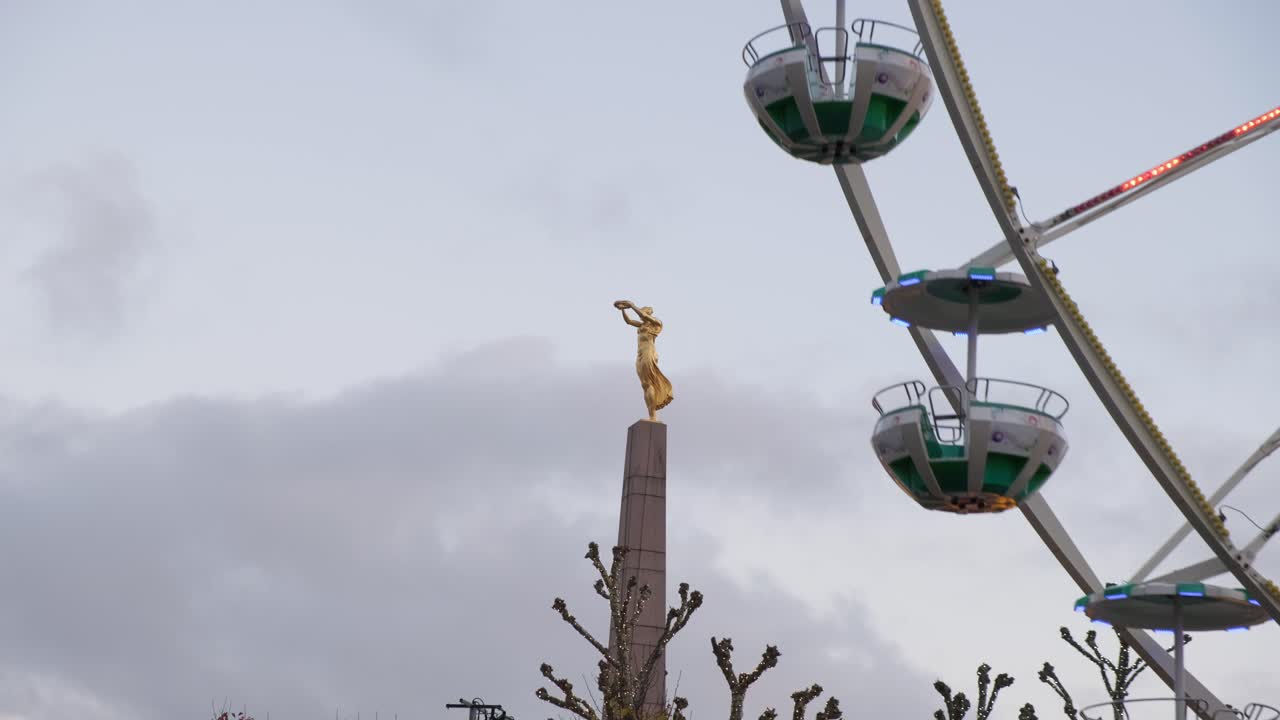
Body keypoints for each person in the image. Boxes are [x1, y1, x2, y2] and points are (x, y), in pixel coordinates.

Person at [614, 300, 674, 422]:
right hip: (640, 355)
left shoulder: (657, 323)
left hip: (648, 353)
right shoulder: (642, 326)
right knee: (645, 384)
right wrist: (623, 310)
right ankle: (651, 414)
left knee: (649, 383)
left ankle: (653, 416)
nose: (641, 312)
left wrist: (631, 305)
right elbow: (629, 321)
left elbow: (642, 316)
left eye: (644, 309)